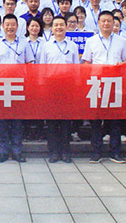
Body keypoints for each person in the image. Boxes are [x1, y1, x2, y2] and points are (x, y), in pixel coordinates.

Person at [81, 11, 126, 163]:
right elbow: (86, 62)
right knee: (96, 120)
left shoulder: (122, 41)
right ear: (98, 23)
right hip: (97, 83)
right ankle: (96, 152)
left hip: (115, 83)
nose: (106, 24)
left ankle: (115, 152)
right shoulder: (91, 41)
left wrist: (122, 64)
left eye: (109, 21)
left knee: (115, 120)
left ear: (114, 23)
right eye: (103, 21)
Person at [0, 14, 30, 163]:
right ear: (2, 26)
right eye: (7, 24)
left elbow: (29, 64)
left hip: (19, 86)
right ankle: (3, 151)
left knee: (17, 121)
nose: (10, 27)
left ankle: (17, 151)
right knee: (2, 121)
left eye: (13, 24)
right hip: (1, 86)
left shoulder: (24, 43)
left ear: (17, 27)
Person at [37, 15, 79, 163]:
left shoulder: (72, 46)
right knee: (52, 121)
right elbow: (42, 67)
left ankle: (65, 151)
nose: (59, 28)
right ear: (52, 28)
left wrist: (76, 86)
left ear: (66, 27)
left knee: (66, 121)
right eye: (56, 25)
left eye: (62, 25)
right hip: (51, 86)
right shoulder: (46, 46)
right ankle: (53, 152)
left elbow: (76, 68)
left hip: (68, 86)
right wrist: (42, 86)